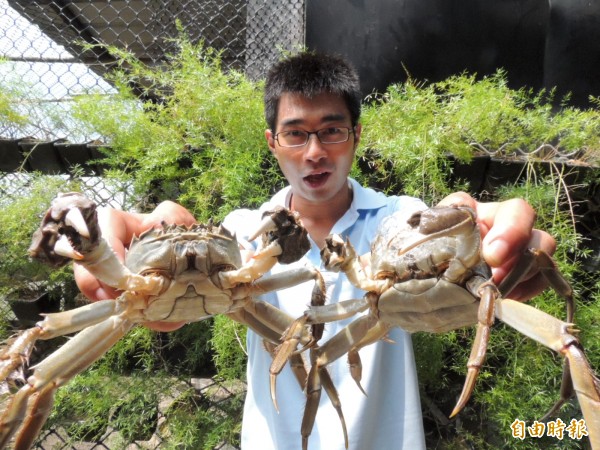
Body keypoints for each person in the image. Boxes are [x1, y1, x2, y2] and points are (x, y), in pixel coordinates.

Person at [74, 52, 556, 449]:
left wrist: (489, 239)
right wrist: (113, 250)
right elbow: (171, 307)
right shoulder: (242, 234)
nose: (314, 152)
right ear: (273, 142)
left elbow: (451, 224)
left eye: (332, 130)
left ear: (356, 134)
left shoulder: (401, 220)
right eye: (296, 133)